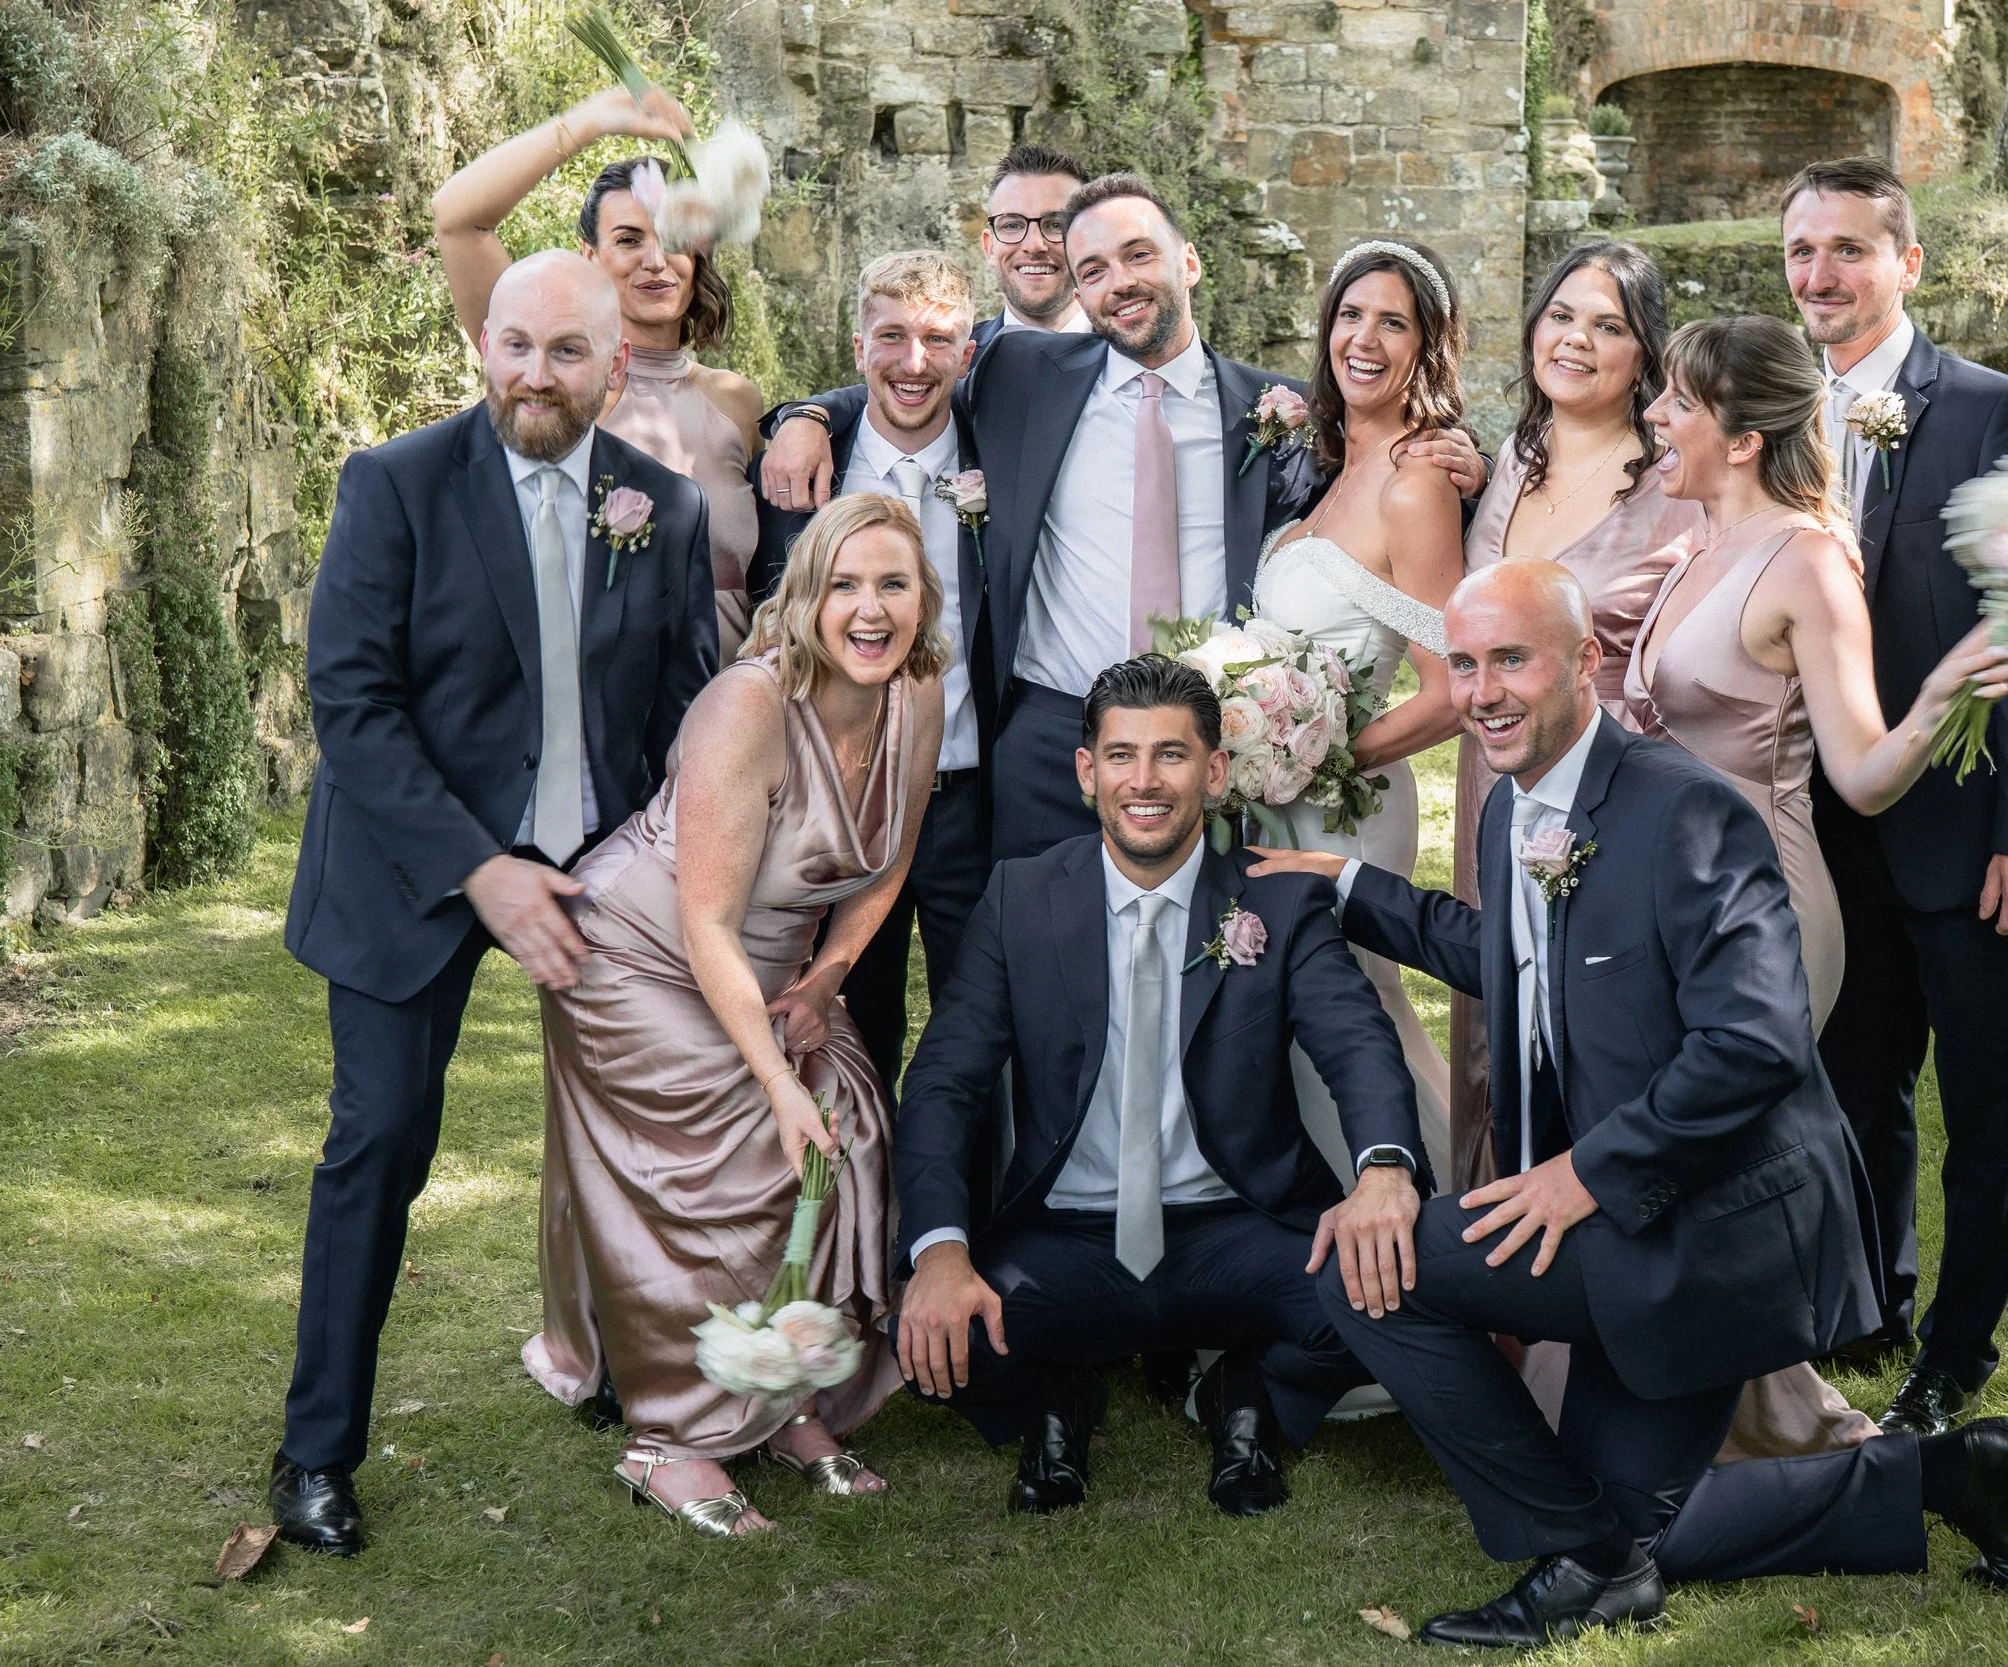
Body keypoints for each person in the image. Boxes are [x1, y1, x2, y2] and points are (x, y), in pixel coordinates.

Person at [1249, 562, 2008, 1647]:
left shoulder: (1686, 812)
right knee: (1639, 1531)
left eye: (1512, 659)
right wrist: (1339, 885)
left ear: (1584, 662)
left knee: (1367, 1261)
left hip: (1710, 1236)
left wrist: (1582, 1174)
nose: (1481, 691)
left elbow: (1756, 1036)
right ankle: (1953, 1470)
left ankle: (1581, 1553)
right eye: (1466, 662)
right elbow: (1508, 953)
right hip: (1621, 1223)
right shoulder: (1513, 805)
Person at [273, 251, 718, 1555]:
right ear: (483, 347)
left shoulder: (667, 511)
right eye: (515, 344)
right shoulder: (395, 485)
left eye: (566, 351)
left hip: (602, 868)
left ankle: (652, 1382)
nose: (536, 372)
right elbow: (352, 704)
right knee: (382, 1141)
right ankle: (315, 1452)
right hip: (417, 870)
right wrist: (484, 870)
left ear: (615, 365)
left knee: (645, 1139)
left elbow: (691, 714)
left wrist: (677, 874)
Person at [759, 172, 1488, 863]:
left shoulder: (1281, 413)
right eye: (1094, 269)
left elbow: (1381, 473)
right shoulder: (1024, 375)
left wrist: (1468, 460)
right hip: (1049, 737)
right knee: (1039, 967)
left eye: (1138, 254)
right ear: (1079, 290)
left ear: (1190, 262)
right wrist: (809, 414)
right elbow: (915, 363)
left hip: (1209, 743)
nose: (1120, 281)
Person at [890, 657, 1432, 1518]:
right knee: (931, 1336)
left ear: (1215, 772)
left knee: (1398, 1296)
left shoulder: (1279, 903)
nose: (1144, 781)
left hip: (1235, 1224)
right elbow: (945, 1083)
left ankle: (1243, 1394)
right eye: (1121, 755)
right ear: (1086, 770)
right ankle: (1059, 1396)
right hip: (1067, 1232)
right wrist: (942, 1252)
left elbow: (1357, 1044)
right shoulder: (1020, 897)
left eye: (1172, 756)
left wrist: (1385, 1171)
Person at [521, 492, 943, 1529]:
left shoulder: (921, 691)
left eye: (893, 583)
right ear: (804, 598)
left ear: (925, 598)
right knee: (758, 1142)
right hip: (636, 958)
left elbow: (886, 866)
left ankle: (780, 1397)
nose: (871, 609)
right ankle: (670, 1436)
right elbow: (706, 920)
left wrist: (826, 979)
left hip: (771, 969)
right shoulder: (747, 707)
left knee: (848, 1126)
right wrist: (769, 1073)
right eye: (843, 584)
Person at [1779, 157, 2008, 1430]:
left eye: (1848, 250)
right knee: (1853, 1090)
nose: (1820, 276)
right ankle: (1873, 1302)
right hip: (1825, 826)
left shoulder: (1989, 410)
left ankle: (1957, 1350)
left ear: (1907, 262)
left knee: (1985, 1109)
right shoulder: (1775, 408)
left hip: (1970, 838)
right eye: (1801, 251)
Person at [1629, 313, 2008, 1029]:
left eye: (1682, 402)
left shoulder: (1805, 562)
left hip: (1755, 900)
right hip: (1668, 892)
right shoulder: (1697, 548)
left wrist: (1941, 694)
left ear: (1745, 442)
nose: (1654, 412)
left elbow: (1865, 779)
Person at [1451, 240, 1702, 1189]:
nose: (1577, 340)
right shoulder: (1507, 460)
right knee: (1495, 1013)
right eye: (1561, 315)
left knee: (1594, 1021)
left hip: (1612, 789)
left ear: (1646, 355)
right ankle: (1493, 1252)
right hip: (1495, 776)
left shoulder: (1676, 484)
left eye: (1609, 326)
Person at [744, 253, 989, 1092]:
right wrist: (804, 415)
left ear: (968, 350)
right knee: (844, 1020)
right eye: (892, 337)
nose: (914, 362)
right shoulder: (798, 466)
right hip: (837, 798)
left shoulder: (1009, 455)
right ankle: (851, 1207)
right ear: (858, 347)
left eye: (938, 340)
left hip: (971, 800)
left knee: (977, 1025)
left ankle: (956, 1216)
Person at [1253, 237, 1467, 1187]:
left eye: (1393, 321)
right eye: (1350, 314)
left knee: (1359, 1016)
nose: (1365, 338)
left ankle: (1434, 1218)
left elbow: (1454, 686)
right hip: (1278, 790)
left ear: (1428, 345)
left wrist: (1318, 763)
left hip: (1347, 804)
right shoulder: (1326, 473)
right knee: (1299, 1019)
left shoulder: (1416, 484)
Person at [432, 85, 768, 659]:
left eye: (673, 240)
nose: (656, 262)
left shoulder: (737, 403)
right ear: (590, 256)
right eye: (629, 240)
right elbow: (458, 221)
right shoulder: (553, 379)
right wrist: (582, 124)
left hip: (727, 711)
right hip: (593, 711)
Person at [973, 144, 1092, 344]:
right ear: (989, 247)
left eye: (1056, 224)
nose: (1035, 245)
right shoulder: (955, 362)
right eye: (1012, 225)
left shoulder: (1135, 357)